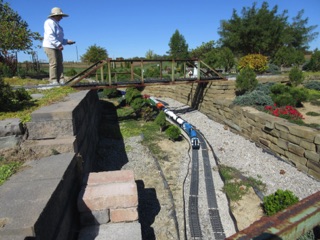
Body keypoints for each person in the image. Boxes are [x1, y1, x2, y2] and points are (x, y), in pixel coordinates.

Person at [43, 7, 75, 85]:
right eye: (60, 16)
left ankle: (61, 79)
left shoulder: (57, 24)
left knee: (60, 63)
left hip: (56, 46)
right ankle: (53, 80)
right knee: (53, 63)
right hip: (50, 46)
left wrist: (67, 41)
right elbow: (50, 36)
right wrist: (58, 44)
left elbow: (59, 38)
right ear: (55, 15)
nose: (61, 17)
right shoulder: (49, 22)